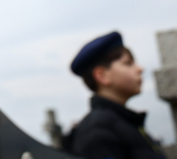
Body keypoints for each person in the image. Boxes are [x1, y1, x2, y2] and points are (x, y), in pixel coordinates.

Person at [66, 31, 166, 159]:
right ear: (102, 76)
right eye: (128, 63)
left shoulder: (123, 123)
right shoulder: (99, 130)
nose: (140, 69)